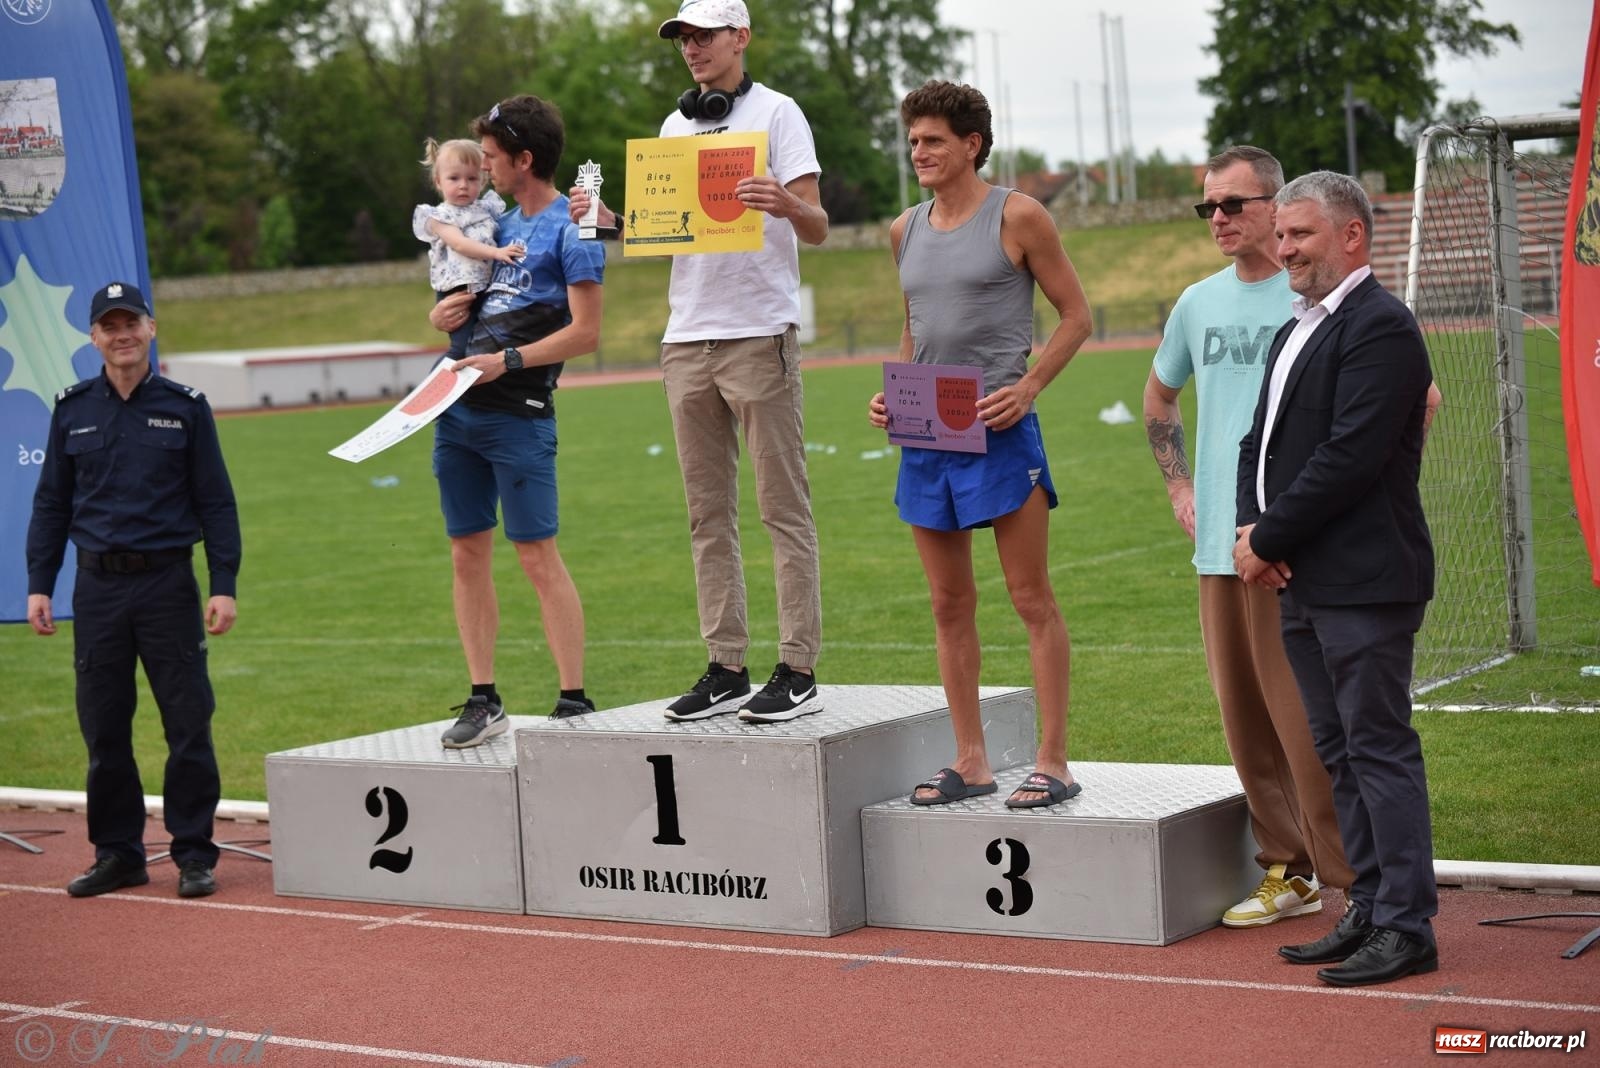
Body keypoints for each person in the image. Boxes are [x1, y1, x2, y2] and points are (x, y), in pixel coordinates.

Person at [569, 0, 829, 723]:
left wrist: (783, 202)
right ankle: (726, 665)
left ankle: (798, 668)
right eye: (683, 37)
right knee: (706, 516)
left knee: (783, 508)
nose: (692, 48)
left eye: (704, 34)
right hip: (686, 339)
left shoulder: (778, 115)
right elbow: (663, 234)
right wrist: (603, 220)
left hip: (758, 333)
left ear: (740, 37)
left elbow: (820, 226)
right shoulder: (674, 126)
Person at [1234, 170, 1438, 987]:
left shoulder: (1381, 326)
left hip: (1365, 579)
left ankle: (1408, 926)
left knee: (1378, 749)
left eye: (1300, 236)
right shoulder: (1297, 327)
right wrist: (1254, 533)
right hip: (1304, 577)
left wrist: (1270, 535)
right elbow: (1262, 441)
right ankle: (1368, 903)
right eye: (1280, 236)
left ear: (1352, 235)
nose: (1283, 250)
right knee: (1338, 753)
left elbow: (1348, 457)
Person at [1143, 146, 1355, 928]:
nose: (1220, 220)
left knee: (1305, 718)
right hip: (1217, 551)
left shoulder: (1318, 298)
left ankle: (1351, 877)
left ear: (1276, 205)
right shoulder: (1198, 303)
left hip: (1291, 545)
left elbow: (1411, 401)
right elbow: (1159, 398)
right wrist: (1179, 483)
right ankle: (1288, 870)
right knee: (1245, 719)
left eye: (1233, 205)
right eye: (1209, 208)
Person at [868, 81, 1092, 809]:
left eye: (932, 140)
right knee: (946, 603)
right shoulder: (903, 228)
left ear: (971, 144)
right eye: (912, 142)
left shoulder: (1019, 215)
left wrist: (1028, 389)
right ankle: (973, 758)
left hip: (999, 432)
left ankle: (1053, 762)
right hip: (926, 435)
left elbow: (1076, 318)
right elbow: (915, 324)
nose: (919, 153)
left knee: (1030, 598)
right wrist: (892, 392)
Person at [25, 281, 241, 900]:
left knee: (188, 722)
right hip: (96, 589)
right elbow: (51, 504)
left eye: (131, 324)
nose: (121, 335)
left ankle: (194, 854)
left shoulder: (186, 406)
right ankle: (118, 853)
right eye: (109, 326)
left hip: (168, 584)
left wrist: (222, 583)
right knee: (104, 727)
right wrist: (40, 583)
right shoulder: (71, 409)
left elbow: (216, 503)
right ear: (93, 337)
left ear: (150, 330)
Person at [427, 95, 607, 747]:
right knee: (465, 552)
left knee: (536, 555)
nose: (486, 169)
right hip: (457, 410)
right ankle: (483, 698)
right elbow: (469, 294)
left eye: (496, 159)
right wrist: (445, 316)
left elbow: (586, 334)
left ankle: (574, 700)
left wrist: (508, 359)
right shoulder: (491, 221)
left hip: (519, 415)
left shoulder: (573, 227)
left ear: (525, 160)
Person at [412, 137, 526, 357]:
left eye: (472, 178)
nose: (463, 185)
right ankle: (436, 390)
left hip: (488, 287)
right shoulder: (439, 216)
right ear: (438, 181)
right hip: (458, 290)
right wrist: (497, 253)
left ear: (482, 181)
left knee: (492, 346)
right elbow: (459, 243)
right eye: (454, 178)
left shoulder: (486, 210)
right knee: (462, 349)